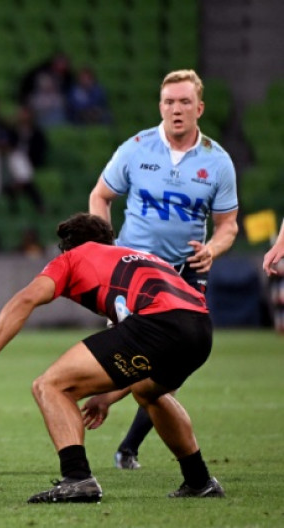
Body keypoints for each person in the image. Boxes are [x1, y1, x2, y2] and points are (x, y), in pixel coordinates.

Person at [0, 213, 225, 503]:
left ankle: (77, 478)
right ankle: (199, 480)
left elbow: (25, 299)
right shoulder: (137, 255)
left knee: (51, 385)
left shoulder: (73, 258)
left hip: (158, 323)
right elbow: (143, 347)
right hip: (199, 328)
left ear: (69, 247)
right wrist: (106, 397)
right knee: (148, 391)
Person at [88, 69, 238, 470]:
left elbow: (228, 225)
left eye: (184, 102)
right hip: (133, 274)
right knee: (134, 357)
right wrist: (106, 248)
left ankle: (122, 430)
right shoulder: (135, 149)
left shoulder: (218, 162)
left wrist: (212, 249)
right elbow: (100, 196)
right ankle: (127, 442)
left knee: (167, 367)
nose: (176, 109)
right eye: (169, 101)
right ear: (160, 106)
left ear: (199, 108)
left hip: (184, 273)